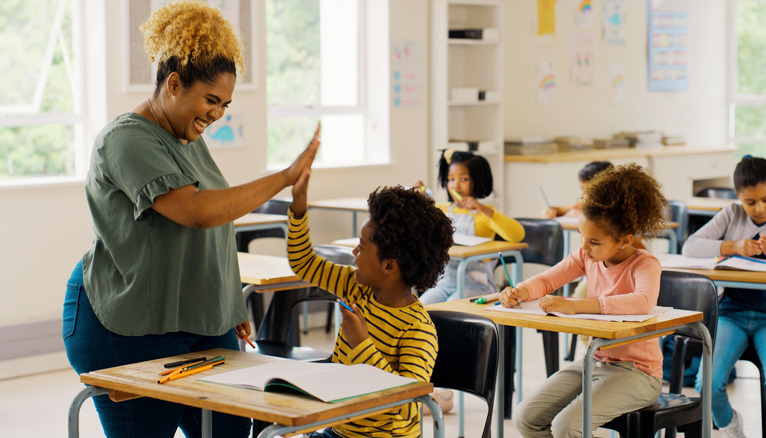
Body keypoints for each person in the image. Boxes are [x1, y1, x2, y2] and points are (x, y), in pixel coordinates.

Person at [62, 2, 319, 437]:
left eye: (225, 104)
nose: (217, 114)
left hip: (198, 321)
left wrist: (225, 302)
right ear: (174, 84)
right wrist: (283, 177)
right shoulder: (126, 139)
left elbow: (217, 218)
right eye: (211, 100)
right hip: (125, 324)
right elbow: (196, 213)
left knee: (232, 431)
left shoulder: (186, 134)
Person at [500, 163, 668, 437]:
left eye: (594, 242)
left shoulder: (645, 264)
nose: (584, 247)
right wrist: (520, 291)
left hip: (639, 374)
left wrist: (577, 306)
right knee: (525, 418)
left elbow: (642, 301)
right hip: (595, 362)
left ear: (624, 240)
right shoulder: (585, 257)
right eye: (582, 237)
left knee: (567, 426)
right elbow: (547, 280)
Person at [287, 170, 453, 438]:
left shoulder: (417, 329)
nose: (354, 253)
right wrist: (298, 210)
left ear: (389, 265)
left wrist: (361, 344)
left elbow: (407, 407)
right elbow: (303, 262)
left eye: (361, 248)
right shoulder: (356, 287)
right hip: (338, 431)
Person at [682, 155, 766, 438]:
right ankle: (730, 424)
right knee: (707, 383)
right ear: (738, 196)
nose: (759, 208)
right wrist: (733, 245)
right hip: (731, 314)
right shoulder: (731, 214)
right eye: (751, 202)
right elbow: (691, 246)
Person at [416, 149, 525, 305]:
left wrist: (484, 210)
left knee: (449, 310)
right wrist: (420, 197)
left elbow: (518, 234)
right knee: (421, 307)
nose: (456, 185)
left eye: (464, 179)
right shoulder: (444, 209)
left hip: (477, 286)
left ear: (477, 181)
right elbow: (421, 216)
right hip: (445, 282)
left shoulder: (483, 214)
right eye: (451, 179)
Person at [541, 161, 614, 219]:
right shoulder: (587, 203)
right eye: (584, 190)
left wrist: (583, 216)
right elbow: (569, 208)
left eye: (590, 191)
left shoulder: (614, 207)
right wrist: (552, 210)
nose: (585, 196)